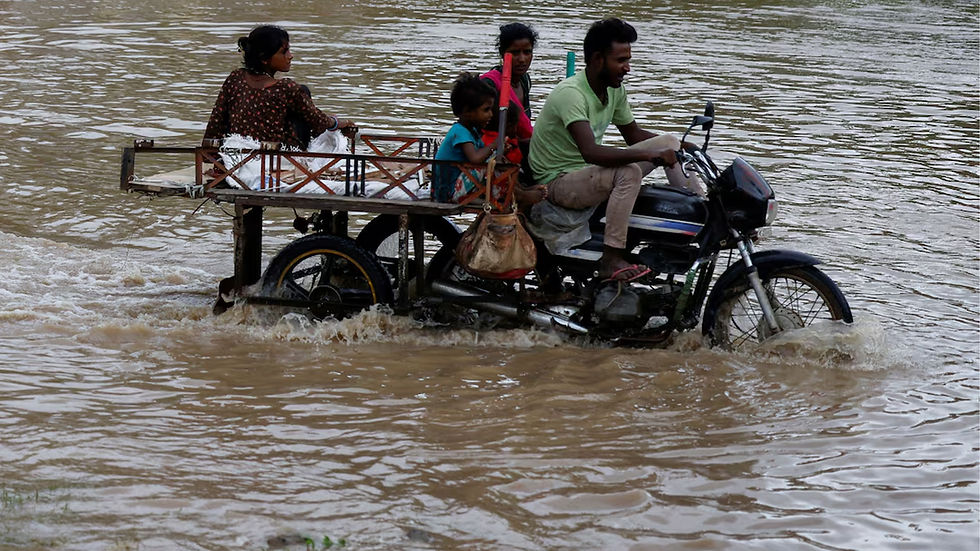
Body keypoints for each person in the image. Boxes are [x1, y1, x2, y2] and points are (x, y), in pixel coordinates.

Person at [526, 17, 703, 283]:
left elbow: (633, 135)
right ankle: (611, 258)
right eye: (620, 61)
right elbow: (591, 152)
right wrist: (648, 156)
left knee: (668, 140)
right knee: (628, 173)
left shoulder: (614, 90)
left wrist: (682, 146)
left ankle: (705, 214)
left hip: (586, 174)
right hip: (558, 182)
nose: (627, 68)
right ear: (597, 59)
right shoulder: (571, 94)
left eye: (627, 60)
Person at [202, 25, 356, 149]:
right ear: (264, 58)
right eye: (284, 52)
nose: (290, 56)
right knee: (303, 91)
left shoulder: (235, 78)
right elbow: (318, 121)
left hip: (238, 153)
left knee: (301, 93)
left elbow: (216, 122)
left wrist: (210, 155)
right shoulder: (286, 88)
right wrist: (339, 122)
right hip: (277, 158)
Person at [432, 73, 499, 203]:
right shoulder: (460, 132)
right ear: (467, 111)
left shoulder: (471, 131)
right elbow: (475, 158)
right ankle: (506, 195)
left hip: (458, 184)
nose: (491, 114)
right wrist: (494, 145)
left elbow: (483, 153)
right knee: (492, 163)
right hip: (449, 192)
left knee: (496, 158)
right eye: (486, 110)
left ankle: (515, 191)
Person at [480, 22, 538, 147]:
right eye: (515, 53)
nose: (522, 59)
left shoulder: (525, 80)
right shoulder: (489, 84)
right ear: (502, 53)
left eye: (527, 52)